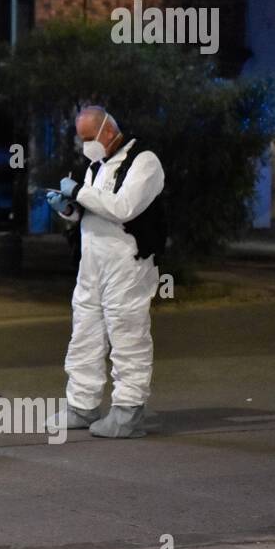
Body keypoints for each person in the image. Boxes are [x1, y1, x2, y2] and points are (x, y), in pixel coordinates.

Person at [46, 106, 166, 439]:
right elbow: (93, 211)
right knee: (84, 335)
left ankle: (128, 412)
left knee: (128, 335)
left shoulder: (144, 162)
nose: (86, 146)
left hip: (127, 263)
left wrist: (78, 193)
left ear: (108, 132)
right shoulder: (95, 166)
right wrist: (69, 209)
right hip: (92, 263)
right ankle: (81, 406)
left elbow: (123, 208)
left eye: (89, 138)